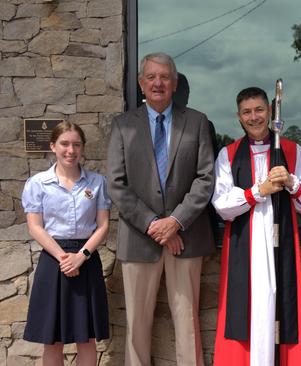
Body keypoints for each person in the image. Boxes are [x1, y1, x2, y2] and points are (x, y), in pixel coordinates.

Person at [107, 52, 215, 366]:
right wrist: (155, 224)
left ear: (174, 83)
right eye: (151, 77)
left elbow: (206, 178)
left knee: (187, 321)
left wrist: (176, 222)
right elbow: (116, 183)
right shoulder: (123, 125)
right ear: (141, 83)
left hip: (187, 237)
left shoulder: (196, 122)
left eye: (164, 77)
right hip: (140, 239)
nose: (158, 83)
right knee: (137, 324)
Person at [212, 87, 301, 365]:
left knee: (280, 307)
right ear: (239, 117)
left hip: (280, 241)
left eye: (259, 110)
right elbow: (222, 205)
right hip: (244, 245)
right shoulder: (229, 154)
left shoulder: (292, 151)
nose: (254, 117)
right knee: (244, 311)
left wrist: (291, 183)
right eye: (247, 112)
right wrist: (257, 191)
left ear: (270, 112)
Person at [21, 122, 110, 365]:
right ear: (53, 146)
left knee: (86, 338)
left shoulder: (97, 182)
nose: (71, 150)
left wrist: (81, 256)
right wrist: (63, 257)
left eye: (76, 144)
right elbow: (35, 227)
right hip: (54, 262)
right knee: (53, 339)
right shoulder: (37, 183)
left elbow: (103, 226)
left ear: (82, 148)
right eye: (64, 144)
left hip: (87, 261)